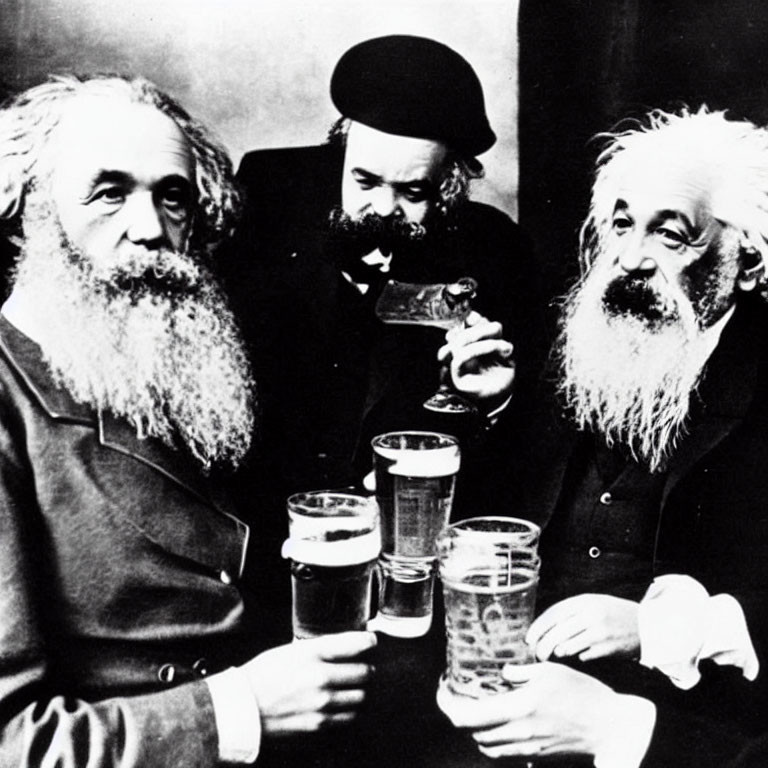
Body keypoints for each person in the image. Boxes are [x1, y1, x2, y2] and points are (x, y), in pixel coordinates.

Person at [0, 73, 377, 767]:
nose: (151, 229)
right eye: (109, 192)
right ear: (24, 205)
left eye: (172, 197)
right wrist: (241, 710)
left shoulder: (161, 365)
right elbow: (13, 742)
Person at [438, 107, 768, 767]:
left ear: (748, 261)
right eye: (621, 224)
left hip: (671, 730)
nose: (629, 259)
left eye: (670, 236)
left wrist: (654, 627)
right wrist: (502, 405)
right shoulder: (588, 340)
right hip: (511, 698)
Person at [223, 35, 540, 578]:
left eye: (414, 192)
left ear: (450, 187)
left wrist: (496, 402)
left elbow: (523, 448)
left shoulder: (495, 252)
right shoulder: (264, 200)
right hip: (264, 550)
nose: (384, 209)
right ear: (339, 151)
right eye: (364, 181)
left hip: (407, 557)